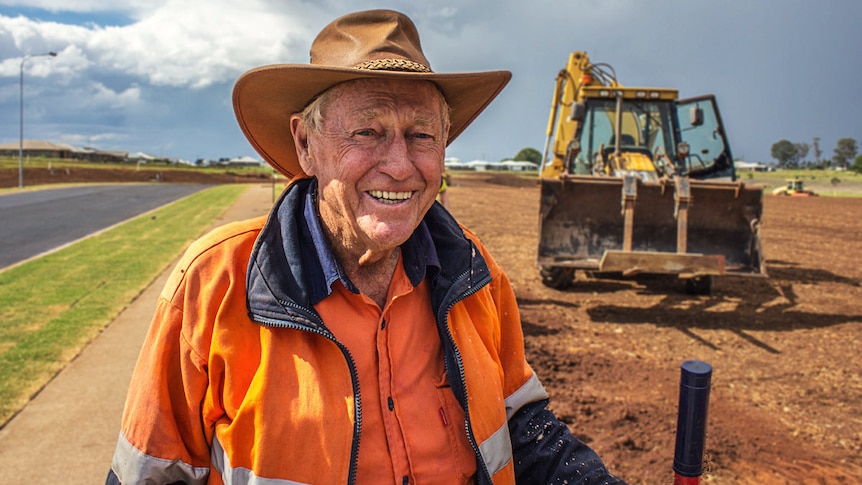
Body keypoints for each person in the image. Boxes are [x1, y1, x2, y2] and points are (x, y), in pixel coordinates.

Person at [107, 9, 626, 485]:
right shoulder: (213, 284)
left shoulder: (473, 272)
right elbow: (151, 475)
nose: (400, 165)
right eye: (367, 132)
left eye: (421, 135)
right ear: (305, 145)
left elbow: (522, 427)